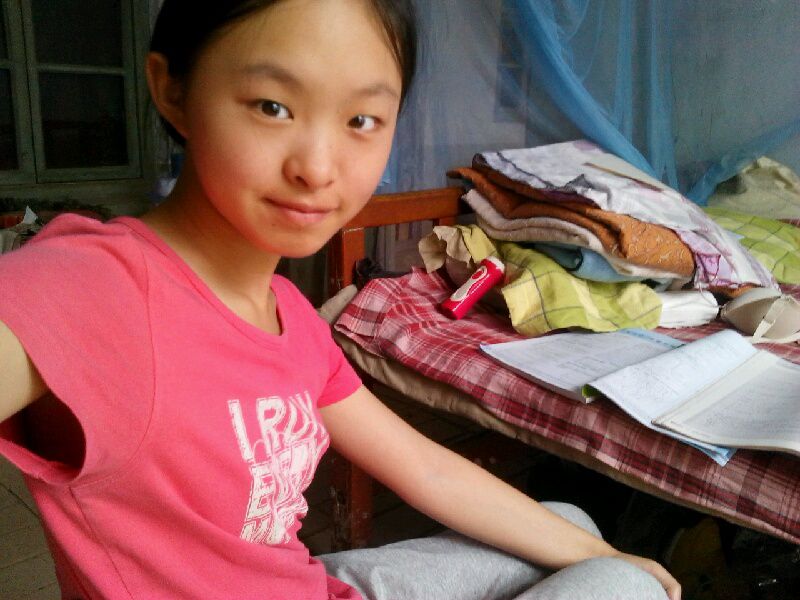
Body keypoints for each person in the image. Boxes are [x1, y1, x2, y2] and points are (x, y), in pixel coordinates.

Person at [0, 1, 681, 598]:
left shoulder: (288, 315)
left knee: (574, 530)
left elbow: (424, 467)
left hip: (297, 582)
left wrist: (604, 557)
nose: (319, 169)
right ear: (172, 89)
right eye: (272, 107)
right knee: (623, 585)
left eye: (362, 119)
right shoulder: (95, 287)